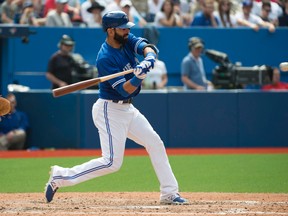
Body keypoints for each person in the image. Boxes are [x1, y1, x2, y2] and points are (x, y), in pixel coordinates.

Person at [44, 10, 189, 205]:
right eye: (122, 28)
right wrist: (139, 76)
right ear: (111, 31)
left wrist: (149, 59)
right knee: (112, 162)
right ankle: (60, 176)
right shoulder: (105, 58)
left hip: (128, 110)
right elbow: (124, 90)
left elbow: (146, 46)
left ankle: (169, 193)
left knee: (155, 143)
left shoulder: (126, 40)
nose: (127, 31)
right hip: (109, 110)